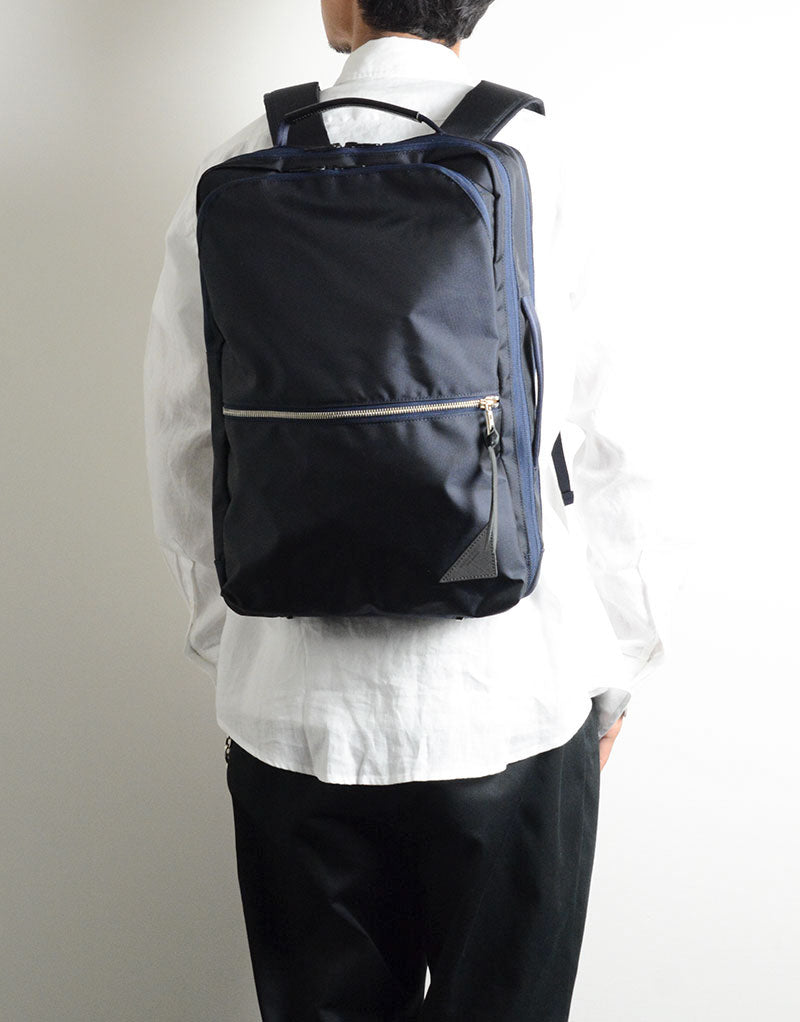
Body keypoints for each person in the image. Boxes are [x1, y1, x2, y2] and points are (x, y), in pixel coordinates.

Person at [143, 1, 672, 1018]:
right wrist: (617, 666)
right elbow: (613, 450)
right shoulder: (544, 161)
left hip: (293, 721)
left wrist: (236, 644)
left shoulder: (239, 162)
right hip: (510, 701)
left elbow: (182, 445)